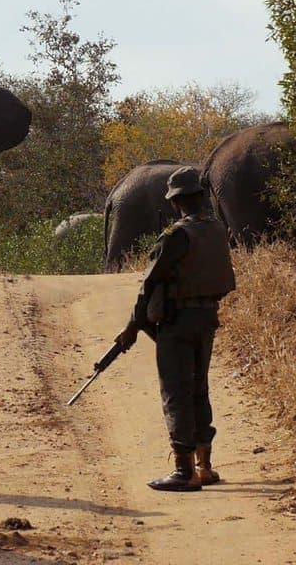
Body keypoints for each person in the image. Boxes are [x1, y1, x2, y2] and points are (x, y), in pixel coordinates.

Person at [114, 165, 236, 492]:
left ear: (177, 202)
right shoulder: (216, 229)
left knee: (176, 393)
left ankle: (184, 472)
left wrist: (131, 328)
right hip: (207, 318)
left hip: (177, 322)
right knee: (198, 389)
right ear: (200, 196)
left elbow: (148, 284)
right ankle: (205, 466)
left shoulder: (177, 235)